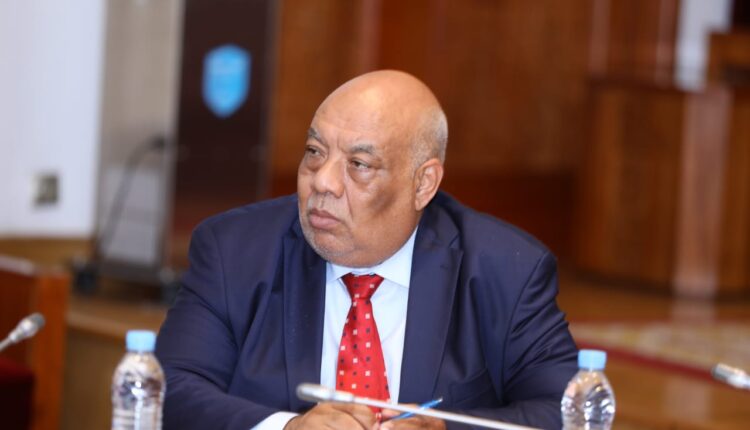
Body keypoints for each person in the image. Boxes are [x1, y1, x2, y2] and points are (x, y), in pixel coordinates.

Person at [155, 70, 578, 430]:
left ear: (423, 184)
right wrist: (287, 427)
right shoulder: (234, 251)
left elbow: (568, 411)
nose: (322, 182)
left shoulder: (506, 269)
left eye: (358, 165)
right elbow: (169, 387)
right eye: (314, 153)